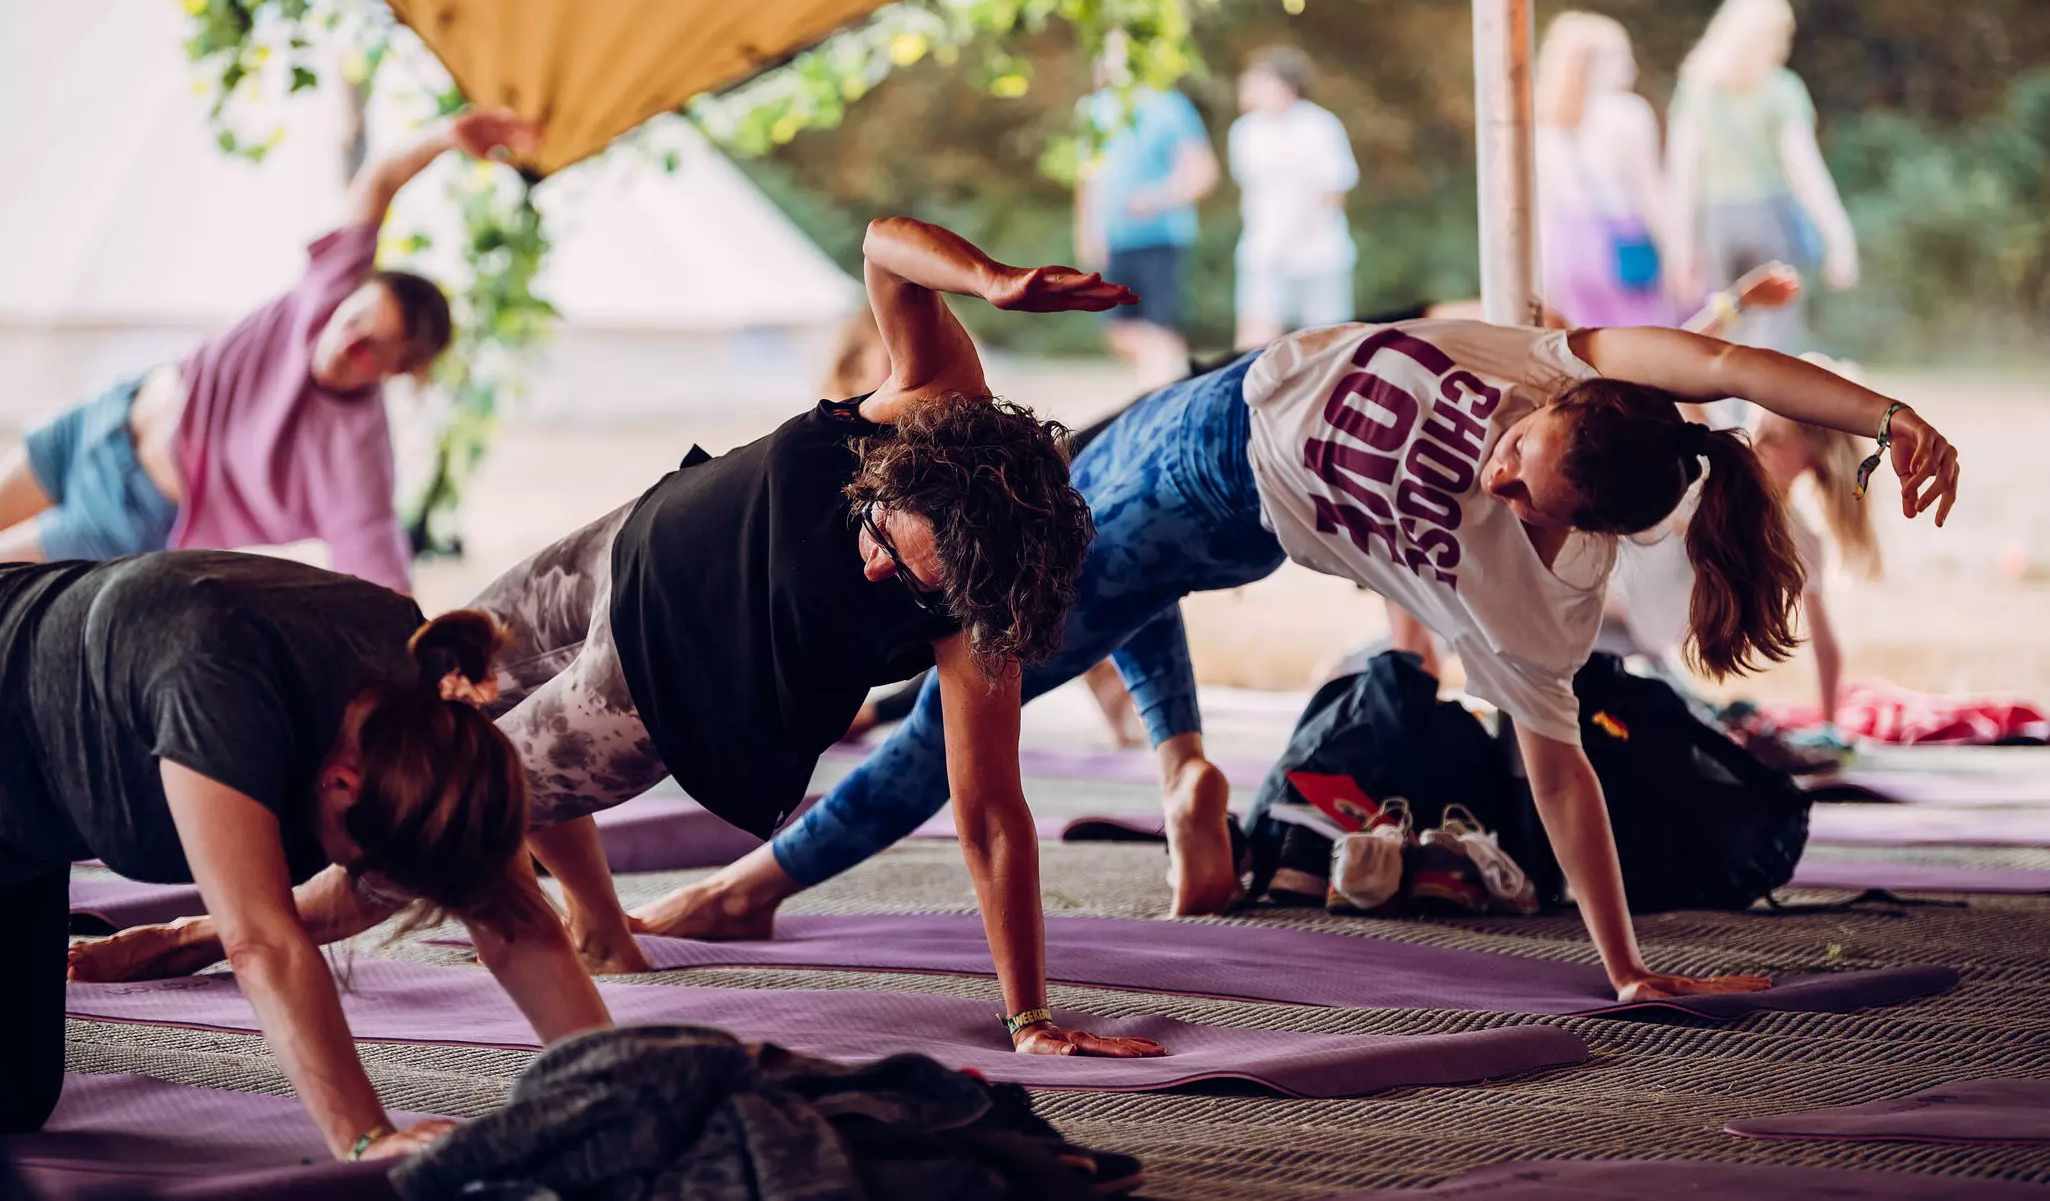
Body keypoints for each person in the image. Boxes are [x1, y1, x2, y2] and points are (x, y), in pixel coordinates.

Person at [630, 311, 1960, 1007]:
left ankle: (752, 884)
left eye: (1531, 493)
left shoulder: (1536, 599)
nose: (1502, 475)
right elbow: (1725, 361)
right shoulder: (1551, 362)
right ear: (1561, 395)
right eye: (1519, 446)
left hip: (1205, 468)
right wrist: (1886, 412)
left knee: (960, 706)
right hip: (1214, 455)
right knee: (1101, 577)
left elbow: (1563, 783)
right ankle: (1183, 766)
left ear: (1583, 527)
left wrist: (1619, 962)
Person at [76, 217, 1166, 1062]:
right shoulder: (936, 399)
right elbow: (885, 244)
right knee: (425, 687)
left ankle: (198, 935)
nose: (877, 566)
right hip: (613, 548)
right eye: (886, 533)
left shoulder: (980, 614)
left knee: (439, 809)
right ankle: (600, 928)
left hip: (654, 691)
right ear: (912, 473)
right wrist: (994, 279)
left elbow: (989, 817)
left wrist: (1027, 1012)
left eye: (907, 582)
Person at [3, 551, 607, 1157]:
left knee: (15, 1099)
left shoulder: (426, 700)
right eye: (368, 870)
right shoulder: (216, 686)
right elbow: (261, 941)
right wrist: (366, 1139)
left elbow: (513, 919)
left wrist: (617, 1090)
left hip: (29, 819)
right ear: (341, 785)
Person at [0, 108, 539, 592]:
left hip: (127, 514)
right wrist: (447, 135)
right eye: (355, 320)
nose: (347, 341)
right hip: (100, 422)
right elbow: (380, 179)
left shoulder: (355, 460)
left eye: (374, 348)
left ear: (397, 371)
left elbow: (386, 586)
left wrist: (433, 673)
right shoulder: (332, 284)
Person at [1608, 350, 1883, 729]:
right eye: (1760, 428)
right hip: (1618, 606)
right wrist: (1736, 305)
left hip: (1645, 624)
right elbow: (1673, 365)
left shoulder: (1798, 536)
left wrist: (1831, 726)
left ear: (1814, 460)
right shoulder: (1726, 459)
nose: (1760, 443)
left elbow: (1823, 640)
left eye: (1777, 439)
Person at [1667, 0, 1859, 349]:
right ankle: (1763, 408)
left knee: (1723, 328)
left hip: (1715, 223)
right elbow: (1805, 171)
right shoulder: (1782, 89)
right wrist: (1839, 236)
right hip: (1770, 220)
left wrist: (1680, 248)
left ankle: (1728, 407)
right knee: (1775, 334)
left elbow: (1682, 175)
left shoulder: (1695, 90)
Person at [1076, 38, 1220, 388]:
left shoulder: (1169, 105)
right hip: (1114, 240)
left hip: (1159, 237)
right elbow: (1086, 179)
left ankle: (1157, 395)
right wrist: (1087, 231)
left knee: (1159, 329)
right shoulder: (1093, 109)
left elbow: (1203, 173)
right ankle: (1175, 381)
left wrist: (1157, 198)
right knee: (1117, 332)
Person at [1534, 12, 1673, 328]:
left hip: (1565, 249)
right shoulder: (1628, 113)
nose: (1632, 68)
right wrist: (1677, 250)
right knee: (1637, 345)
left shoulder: (1544, 120)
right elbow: (1649, 191)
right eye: (1624, 57)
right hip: (1622, 244)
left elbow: (1543, 207)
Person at [1227, 46, 1360, 349]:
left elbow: (1334, 191)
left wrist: (1293, 234)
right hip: (1264, 254)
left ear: (1282, 85)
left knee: (1328, 346)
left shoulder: (1319, 126)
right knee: (1254, 341)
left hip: (1319, 255)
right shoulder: (1246, 132)